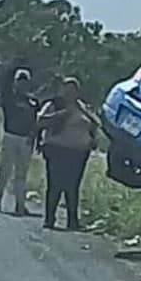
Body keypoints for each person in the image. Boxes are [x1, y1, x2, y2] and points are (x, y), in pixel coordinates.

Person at [38, 77, 99, 230]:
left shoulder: (82, 107)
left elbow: (94, 123)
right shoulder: (54, 104)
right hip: (57, 149)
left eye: (73, 89)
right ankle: (49, 219)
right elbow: (40, 121)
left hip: (78, 152)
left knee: (73, 187)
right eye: (67, 88)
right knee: (55, 185)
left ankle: (73, 221)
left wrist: (92, 138)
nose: (69, 92)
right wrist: (62, 114)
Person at [0, 67, 39, 215]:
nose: (22, 84)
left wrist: (34, 138)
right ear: (15, 82)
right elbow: (0, 97)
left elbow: (36, 122)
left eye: (25, 81)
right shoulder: (8, 97)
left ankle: (20, 204)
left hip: (26, 139)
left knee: (21, 174)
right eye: (20, 81)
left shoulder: (33, 101)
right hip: (10, 136)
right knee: (5, 170)